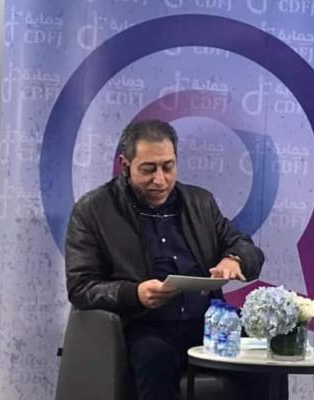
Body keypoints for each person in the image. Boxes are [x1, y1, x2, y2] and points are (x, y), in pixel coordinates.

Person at [65, 119, 264, 400]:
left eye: (168, 167)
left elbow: (246, 247)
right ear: (125, 165)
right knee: (155, 356)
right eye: (148, 169)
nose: (160, 180)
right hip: (144, 325)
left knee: (265, 349)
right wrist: (134, 293)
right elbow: (81, 287)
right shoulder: (92, 211)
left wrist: (234, 259)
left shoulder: (200, 202)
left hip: (207, 323)